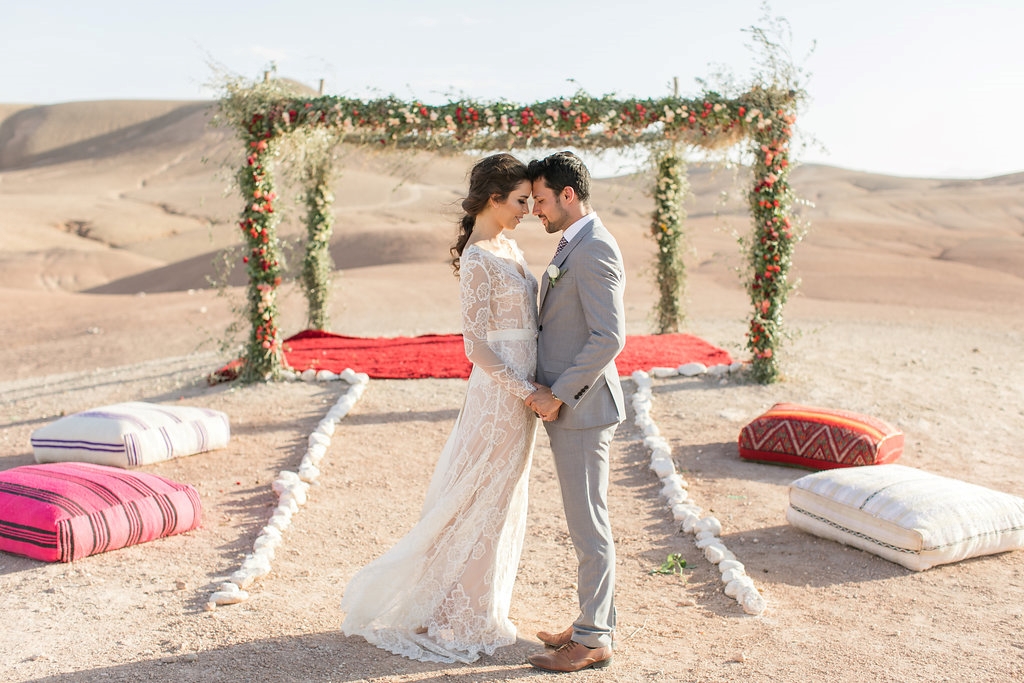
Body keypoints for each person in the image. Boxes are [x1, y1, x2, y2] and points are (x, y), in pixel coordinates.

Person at [340, 153, 542, 664]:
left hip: (522, 396)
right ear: (494, 199)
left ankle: (474, 606)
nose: (528, 210)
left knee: (500, 500)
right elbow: (477, 347)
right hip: (500, 399)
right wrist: (526, 391)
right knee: (477, 498)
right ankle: (459, 615)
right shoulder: (478, 259)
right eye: (521, 201)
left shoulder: (511, 247)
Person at [524, 151, 626, 673]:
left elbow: (609, 337)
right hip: (573, 409)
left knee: (589, 524)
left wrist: (558, 393)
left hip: (583, 410)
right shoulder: (576, 243)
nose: (534, 210)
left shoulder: (594, 248)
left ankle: (592, 639)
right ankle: (592, 618)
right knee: (584, 520)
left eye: (540, 200)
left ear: (568, 195)